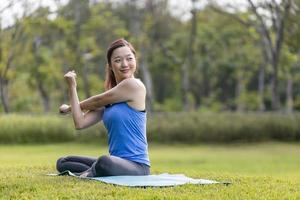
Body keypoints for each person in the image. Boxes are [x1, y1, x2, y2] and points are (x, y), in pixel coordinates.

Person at [56, 38, 150, 177]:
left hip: (137, 167)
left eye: (129, 58)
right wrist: (72, 87)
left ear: (135, 60)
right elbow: (80, 123)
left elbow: (97, 100)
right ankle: (93, 171)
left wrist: (70, 108)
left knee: (104, 161)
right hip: (117, 162)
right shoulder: (110, 99)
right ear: (110, 66)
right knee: (63, 162)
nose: (125, 64)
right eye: (118, 60)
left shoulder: (134, 86)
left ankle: (90, 172)